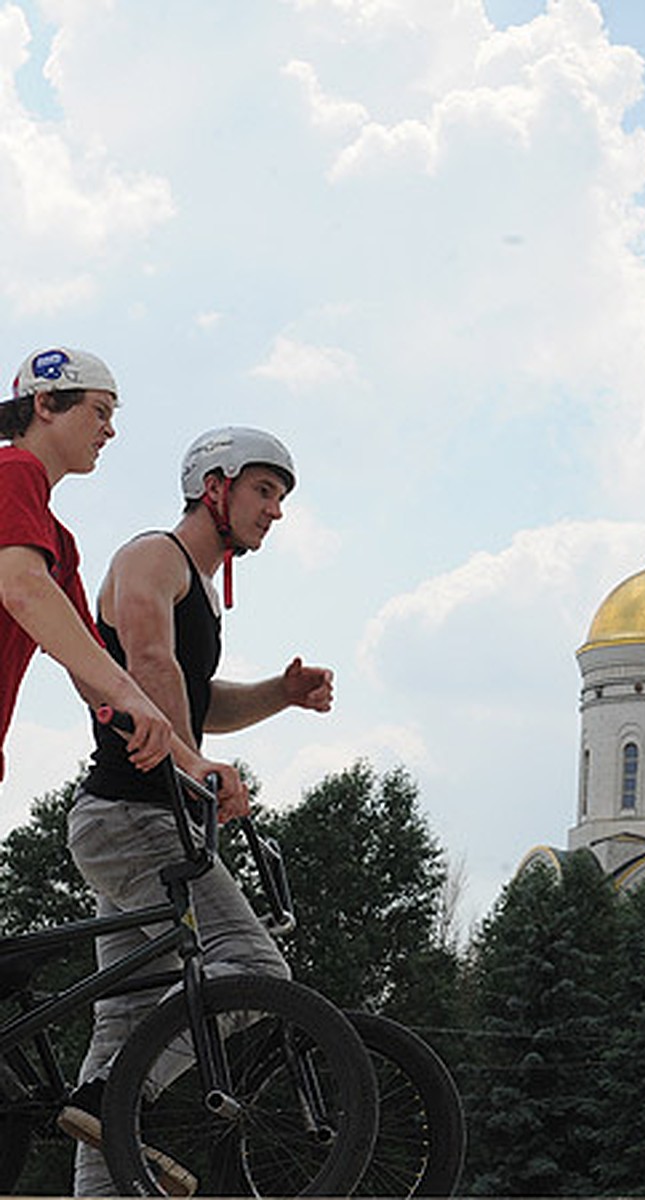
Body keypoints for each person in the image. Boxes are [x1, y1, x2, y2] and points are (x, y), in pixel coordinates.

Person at [61, 426, 335, 1197]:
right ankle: (114, 1097)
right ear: (214, 484)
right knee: (252, 969)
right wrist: (196, 772)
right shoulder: (153, 556)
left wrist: (279, 696)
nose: (275, 511)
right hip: (136, 817)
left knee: (122, 1031)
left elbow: (193, 698)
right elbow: (147, 665)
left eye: (280, 498)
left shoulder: (201, 591)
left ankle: (104, 1141)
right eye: (264, 491)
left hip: (137, 822)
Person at [0, 346, 174, 777]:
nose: (110, 431)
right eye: (100, 411)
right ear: (45, 404)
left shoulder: (56, 542)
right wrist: (128, 696)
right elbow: (22, 589)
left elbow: (94, 675)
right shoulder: (12, 470)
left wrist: (191, 762)